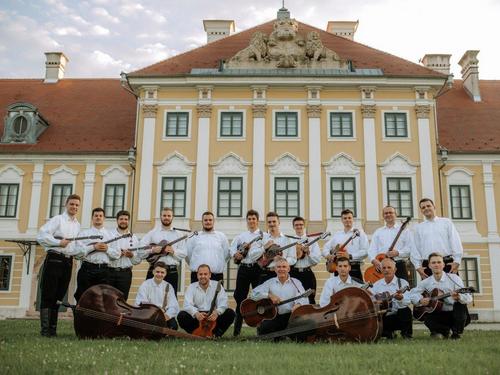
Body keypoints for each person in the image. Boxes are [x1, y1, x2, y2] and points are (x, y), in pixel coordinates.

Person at [37, 194, 81, 337]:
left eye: (76, 205)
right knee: (48, 294)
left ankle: (53, 330)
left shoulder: (77, 225)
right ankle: (45, 330)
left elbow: (74, 247)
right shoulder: (58, 220)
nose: (74, 207)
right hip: (54, 259)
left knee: (58, 296)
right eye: (72, 204)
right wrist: (58, 243)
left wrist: (85, 250)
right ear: (66, 204)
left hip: (68, 262)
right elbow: (41, 235)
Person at [410, 252, 472, 339]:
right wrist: (420, 300)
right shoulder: (426, 282)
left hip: (455, 314)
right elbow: (412, 293)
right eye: (433, 263)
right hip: (439, 315)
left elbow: (469, 298)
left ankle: (456, 333)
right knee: (427, 316)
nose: (436, 265)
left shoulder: (454, 278)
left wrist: (459, 297)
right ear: (429, 265)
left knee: (460, 305)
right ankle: (443, 331)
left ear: (443, 265)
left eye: (439, 262)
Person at [250, 257, 308, 336]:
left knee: (305, 329)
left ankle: (284, 334)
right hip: (274, 317)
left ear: (288, 269)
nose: (281, 269)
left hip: (291, 317)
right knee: (264, 330)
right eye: (279, 267)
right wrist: (269, 295)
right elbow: (253, 294)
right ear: (275, 269)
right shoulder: (270, 282)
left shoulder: (296, 282)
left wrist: (298, 305)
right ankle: (281, 335)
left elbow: (304, 298)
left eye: (284, 267)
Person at [74, 207, 121, 301]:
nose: (98, 217)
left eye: (100, 216)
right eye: (96, 216)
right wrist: (93, 247)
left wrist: (107, 249)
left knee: (102, 300)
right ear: (92, 218)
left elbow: (117, 254)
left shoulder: (111, 235)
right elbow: (77, 253)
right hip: (87, 269)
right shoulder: (84, 234)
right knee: (83, 297)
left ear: (104, 218)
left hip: (104, 271)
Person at [231, 209, 264, 336]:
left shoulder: (263, 235)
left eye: (253, 219)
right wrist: (236, 254)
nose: (251, 221)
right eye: (249, 219)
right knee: (240, 299)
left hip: (257, 269)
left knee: (259, 299)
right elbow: (232, 249)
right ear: (247, 221)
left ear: (257, 220)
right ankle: (236, 332)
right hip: (244, 268)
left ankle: (260, 331)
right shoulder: (241, 236)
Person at [177, 264, 235, 338]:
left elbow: (223, 303)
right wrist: (196, 313)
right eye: (200, 274)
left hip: (213, 315)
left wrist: (217, 312)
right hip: (198, 316)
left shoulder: (217, 285)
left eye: (205, 274)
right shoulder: (191, 287)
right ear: (197, 275)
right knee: (182, 316)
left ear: (210, 275)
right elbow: (187, 305)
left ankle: (215, 334)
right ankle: (196, 334)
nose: (203, 276)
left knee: (230, 313)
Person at [139, 207, 187, 294]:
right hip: (154, 270)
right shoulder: (152, 233)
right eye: (164, 215)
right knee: (150, 298)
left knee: (170, 298)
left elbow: (184, 253)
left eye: (169, 215)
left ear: (172, 217)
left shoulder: (179, 234)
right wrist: (152, 250)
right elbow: (140, 250)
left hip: (171, 272)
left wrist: (173, 252)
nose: (166, 217)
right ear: (160, 217)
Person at [412, 198, 463, 279]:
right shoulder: (418, 228)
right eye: (423, 207)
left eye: (428, 206)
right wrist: (417, 267)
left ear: (434, 207)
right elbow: (415, 248)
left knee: (453, 290)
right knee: (430, 291)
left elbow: (455, 241)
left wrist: (457, 261)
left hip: (447, 263)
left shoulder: (446, 222)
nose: (426, 208)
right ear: (421, 211)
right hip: (427, 266)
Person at [368, 206, 413, 281]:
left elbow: (410, 248)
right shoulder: (378, 232)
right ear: (383, 216)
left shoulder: (405, 231)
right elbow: (372, 249)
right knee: (381, 290)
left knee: (401, 290)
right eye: (386, 213)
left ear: (396, 214)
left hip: (399, 265)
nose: (388, 214)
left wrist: (398, 253)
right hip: (382, 266)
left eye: (391, 213)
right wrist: (373, 260)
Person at [371, 258, 412, 339]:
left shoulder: (402, 283)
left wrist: (401, 298)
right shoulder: (376, 285)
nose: (386, 270)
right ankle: (388, 333)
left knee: (406, 310)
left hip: (398, 314)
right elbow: (371, 299)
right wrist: (376, 302)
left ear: (395, 269)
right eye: (384, 268)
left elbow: (408, 301)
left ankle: (406, 334)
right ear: (381, 270)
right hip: (384, 315)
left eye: (389, 267)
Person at [322, 209, 368, 281]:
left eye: (349, 218)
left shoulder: (360, 233)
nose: (347, 220)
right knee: (339, 291)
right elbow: (325, 247)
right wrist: (328, 256)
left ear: (353, 219)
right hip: (338, 268)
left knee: (355, 291)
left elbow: (365, 251)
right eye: (345, 218)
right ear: (342, 220)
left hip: (354, 268)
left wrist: (349, 256)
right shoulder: (337, 234)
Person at [186, 211, 230, 283]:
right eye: (205, 220)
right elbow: (188, 255)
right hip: (197, 276)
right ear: (202, 222)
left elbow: (226, 255)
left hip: (216, 276)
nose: (208, 222)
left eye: (210, 220)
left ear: (214, 221)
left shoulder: (222, 236)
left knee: (217, 294)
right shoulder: (194, 236)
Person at [107, 210, 141, 301]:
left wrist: (131, 256)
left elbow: (138, 260)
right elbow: (105, 253)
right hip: (109, 272)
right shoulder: (109, 235)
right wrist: (118, 253)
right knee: (108, 300)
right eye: (121, 219)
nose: (123, 221)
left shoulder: (134, 238)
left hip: (125, 274)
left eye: (126, 219)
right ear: (117, 220)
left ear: (128, 221)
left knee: (122, 300)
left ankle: (120, 316)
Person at [135, 261, 179, 330]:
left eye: (162, 272)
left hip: (164, 315)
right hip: (149, 315)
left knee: (174, 326)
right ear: (153, 272)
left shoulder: (169, 286)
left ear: (165, 274)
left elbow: (174, 305)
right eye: (157, 272)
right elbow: (140, 303)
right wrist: (155, 312)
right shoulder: (145, 285)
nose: (159, 274)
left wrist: (167, 315)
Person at [289, 216, 321, 304]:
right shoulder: (290, 241)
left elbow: (317, 260)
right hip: (293, 273)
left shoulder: (312, 240)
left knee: (310, 299)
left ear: (304, 226)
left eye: (301, 224)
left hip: (307, 274)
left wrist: (309, 253)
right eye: (296, 225)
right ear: (293, 227)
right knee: (293, 299)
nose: (299, 227)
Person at [259, 211, 296, 284]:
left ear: (278, 222)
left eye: (274, 221)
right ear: (267, 224)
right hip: (266, 273)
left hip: (283, 274)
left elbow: (293, 259)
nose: (272, 224)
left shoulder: (288, 239)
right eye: (269, 222)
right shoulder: (262, 239)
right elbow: (257, 258)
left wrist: (282, 260)